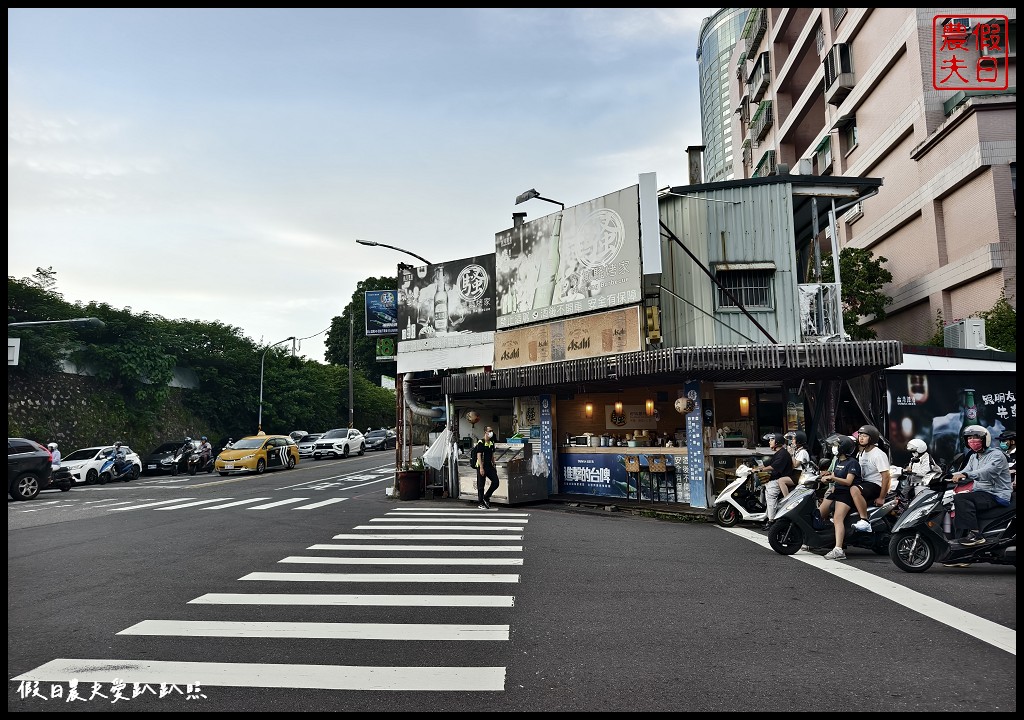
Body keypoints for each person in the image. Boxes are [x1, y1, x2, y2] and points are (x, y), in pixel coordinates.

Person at [950, 425, 1013, 547]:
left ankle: (976, 536)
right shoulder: (974, 456)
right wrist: (942, 476)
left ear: (985, 439)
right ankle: (958, 549)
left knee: (961, 499)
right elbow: (965, 470)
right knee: (957, 505)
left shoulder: (997, 455)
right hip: (982, 492)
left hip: (996, 494)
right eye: (969, 438)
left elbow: (987, 472)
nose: (972, 440)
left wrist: (964, 474)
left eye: (976, 437)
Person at [816, 435, 863, 561]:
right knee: (820, 513)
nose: (834, 448)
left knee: (837, 518)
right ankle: (819, 541)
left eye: (836, 445)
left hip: (847, 493)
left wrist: (833, 478)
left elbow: (848, 482)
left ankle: (839, 550)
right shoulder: (837, 461)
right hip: (836, 490)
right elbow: (834, 475)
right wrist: (826, 477)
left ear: (843, 447)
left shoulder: (853, 463)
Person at [848, 424, 892, 533]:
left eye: (865, 436)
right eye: (860, 435)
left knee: (854, 489)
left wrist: (882, 497)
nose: (861, 438)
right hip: (864, 483)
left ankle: (864, 520)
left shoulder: (878, 454)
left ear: (872, 438)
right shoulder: (861, 453)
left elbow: (886, 477)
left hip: (875, 485)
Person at [762, 433, 794, 529]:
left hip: (780, 479)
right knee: (766, 493)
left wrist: (760, 470)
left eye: (772, 440)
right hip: (776, 478)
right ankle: (767, 516)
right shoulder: (779, 453)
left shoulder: (783, 454)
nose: (769, 442)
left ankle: (771, 520)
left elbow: (773, 467)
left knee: (771, 494)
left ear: (777, 442)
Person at [474, 426, 500, 509]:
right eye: (490, 431)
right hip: (482, 465)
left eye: (492, 430)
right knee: (481, 485)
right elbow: (479, 455)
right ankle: (480, 502)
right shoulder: (481, 442)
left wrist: (494, 464)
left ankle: (486, 496)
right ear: (485, 432)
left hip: (489, 466)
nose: (491, 432)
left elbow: (492, 455)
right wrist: (481, 468)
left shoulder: (492, 442)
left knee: (496, 482)